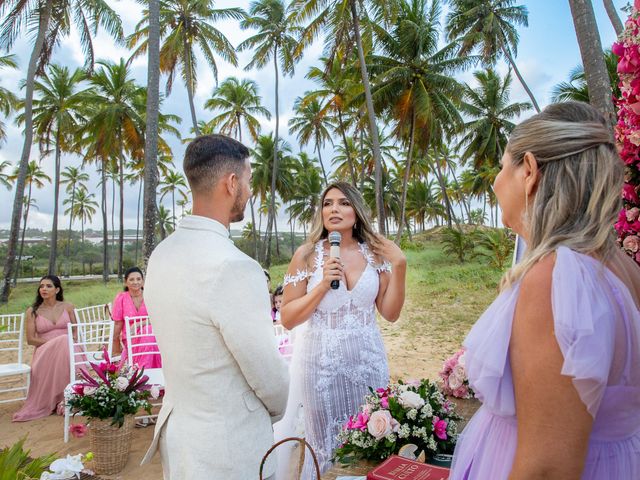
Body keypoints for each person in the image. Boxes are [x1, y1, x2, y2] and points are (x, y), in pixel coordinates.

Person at [450, 101, 640, 479]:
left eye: (503, 166)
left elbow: (547, 468)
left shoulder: (556, 279)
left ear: (530, 171)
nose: (495, 182)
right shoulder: (621, 266)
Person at [141, 134, 289, 479]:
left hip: (181, 444)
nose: (250, 192)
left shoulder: (160, 255)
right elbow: (269, 378)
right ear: (232, 182)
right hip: (229, 450)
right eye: (249, 181)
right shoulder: (235, 267)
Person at [276, 181, 407, 476]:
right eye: (327, 203)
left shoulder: (376, 254)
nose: (334, 208)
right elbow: (288, 317)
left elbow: (390, 313)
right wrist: (322, 285)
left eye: (343, 202)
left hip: (369, 366)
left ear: (357, 211)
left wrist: (399, 266)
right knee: (324, 447)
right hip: (320, 370)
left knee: (372, 442)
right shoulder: (307, 255)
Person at [13, 275, 77, 422]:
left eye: (48, 286)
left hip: (68, 347)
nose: (44, 289)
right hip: (44, 349)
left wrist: (71, 340)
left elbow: (75, 330)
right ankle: (60, 400)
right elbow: (30, 339)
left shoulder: (68, 306)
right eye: (41, 286)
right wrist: (53, 343)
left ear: (57, 289)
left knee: (65, 343)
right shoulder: (32, 311)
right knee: (62, 340)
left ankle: (68, 398)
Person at [110, 266, 161, 369]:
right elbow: (118, 324)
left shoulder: (150, 296)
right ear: (126, 282)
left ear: (142, 281)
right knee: (149, 334)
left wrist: (139, 324)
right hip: (130, 337)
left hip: (151, 336)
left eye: (138, 279)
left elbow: (159, 317)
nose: (135, 282)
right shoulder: (121, 298)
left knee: (149, 331)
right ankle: (143, 372)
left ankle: (147, 371)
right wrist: (115, 348)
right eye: (131, 279)